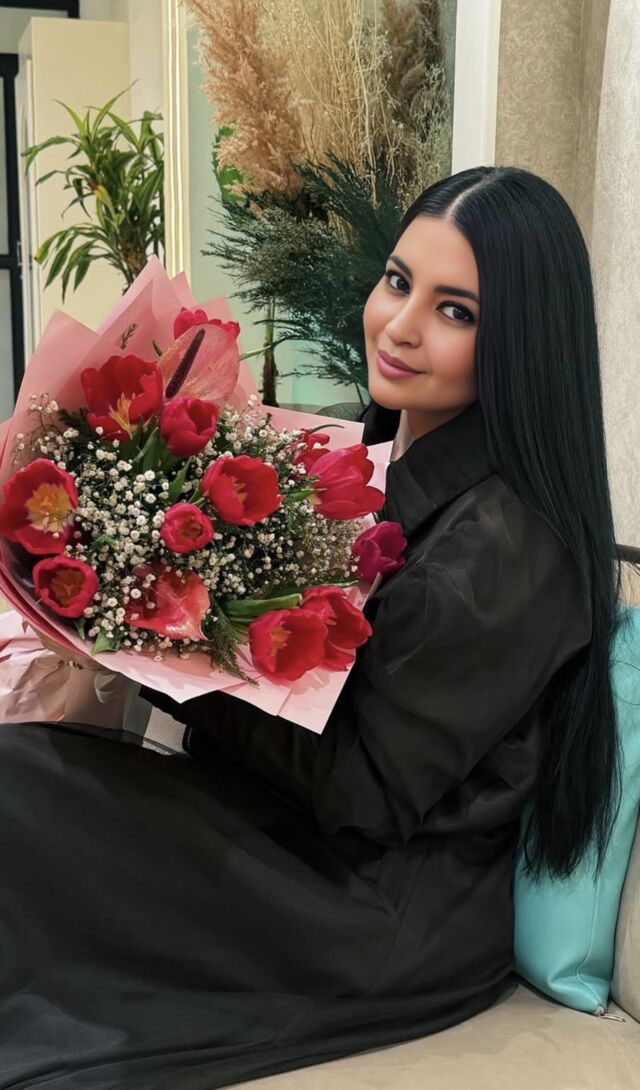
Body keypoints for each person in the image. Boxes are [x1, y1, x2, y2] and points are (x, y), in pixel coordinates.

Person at [0, 165, 625, 1089]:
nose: (400, 325)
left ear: (522, 343)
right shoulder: (375, 461)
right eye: (398, 281)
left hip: (377, 907)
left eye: (456, 311)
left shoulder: (510, 543)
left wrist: (155, 649)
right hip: (299, 838)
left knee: (20, 791)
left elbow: (366, 793)